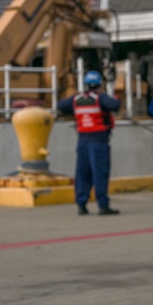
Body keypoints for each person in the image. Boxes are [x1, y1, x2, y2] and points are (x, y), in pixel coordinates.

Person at [57, 70, 121, 216]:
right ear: (99, 84)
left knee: (82, 173)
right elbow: (115, 105)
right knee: (100, 173)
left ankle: (81, 204)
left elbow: (61, 105)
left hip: (82, 141)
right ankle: (103, 205)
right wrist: (117, 97)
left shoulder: (76, 99)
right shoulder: (100, 98)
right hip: (99, 141)